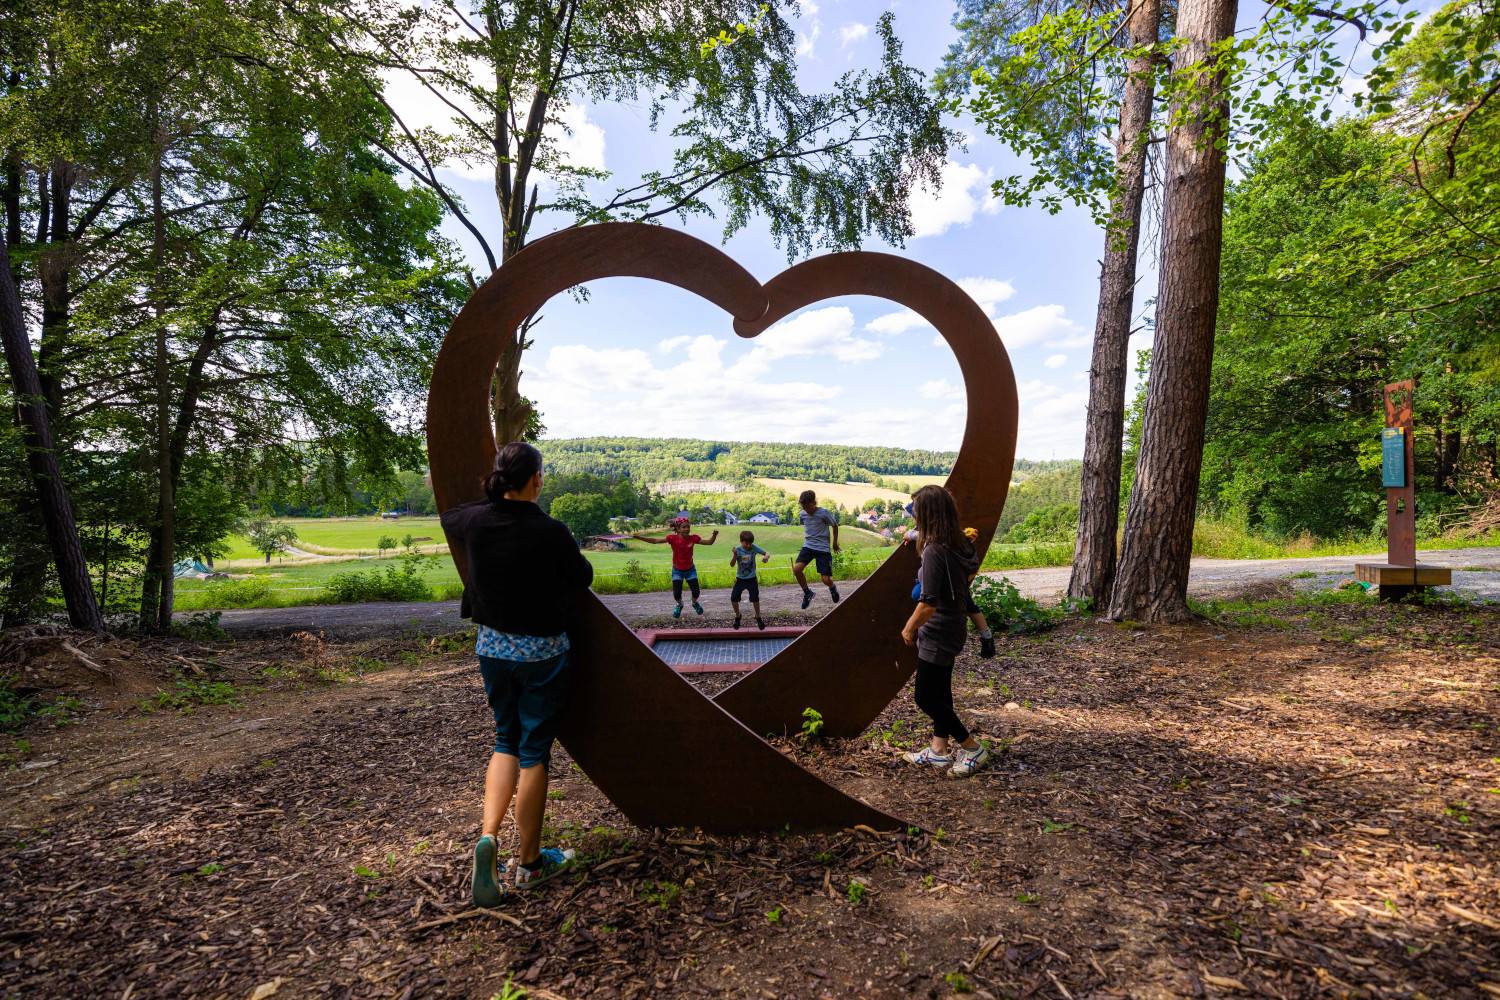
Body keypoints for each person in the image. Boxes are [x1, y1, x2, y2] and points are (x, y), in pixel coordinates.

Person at [440, 442, 594, 907]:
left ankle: (488, 839)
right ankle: (529, 863)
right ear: (536, 480)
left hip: (492, 648)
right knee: (533, 752)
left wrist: (490, 501)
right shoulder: (551, 530)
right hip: (542, 654)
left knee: (504, 740)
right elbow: (582, 575)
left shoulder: (475, 522)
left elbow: (452, 516)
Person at [898, 485, 990, 778]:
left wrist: (909, 627)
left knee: (925, 697)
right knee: (941, 691)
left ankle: (972, 748)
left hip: (937, 631)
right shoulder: (960, 543)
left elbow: (928, 604)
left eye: (917, 512)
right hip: (953, 626)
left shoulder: (935, 550)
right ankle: (938, 751)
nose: (914, 518)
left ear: (927, 514)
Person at [904, 516, 996, 659]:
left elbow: (910, 534)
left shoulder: (929, 537)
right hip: (957, 580)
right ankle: (987, 637)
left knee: (917, 594)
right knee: (970, 606)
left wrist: (909, 535)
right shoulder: (955, 536)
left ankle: (986, 637)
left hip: (941, 581)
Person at [634, 517, 718, 618]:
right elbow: (655, 540)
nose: (687, 529)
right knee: (677, 593)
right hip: (677, 570)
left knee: (696, 591)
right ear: (678, 529)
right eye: (684, 527)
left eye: (688, 527)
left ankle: (694, 603)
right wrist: (640, 538)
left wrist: (714, 535)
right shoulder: (672, 538)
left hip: (690, 570)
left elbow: (709, 542)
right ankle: (679, 604)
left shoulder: (693, 538)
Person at [793, 490, 841, 609]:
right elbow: (806, 524)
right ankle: (807, 593)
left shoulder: (824, 513)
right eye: (803, 507)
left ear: (814, 502)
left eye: (808, 506)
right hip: (808, 546)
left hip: (823, 549)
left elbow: (835, 526)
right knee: (796, 570)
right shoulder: (802, 514)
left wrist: (834, 543)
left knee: (825, 579)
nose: (806, 509)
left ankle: (832, 588)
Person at [728, 529, 771, 630]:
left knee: (755, 599)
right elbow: (731, 565)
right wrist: (734, 555)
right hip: (740, 579)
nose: (748, 545)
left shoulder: (753, 548)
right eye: (746, 543)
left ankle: (758, 616)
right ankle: (738, 616)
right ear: (741, 541)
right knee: (734, 598)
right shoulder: (738, 550)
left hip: (752, 579)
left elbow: (766, 553)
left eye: (750, 543)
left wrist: (766, 558)